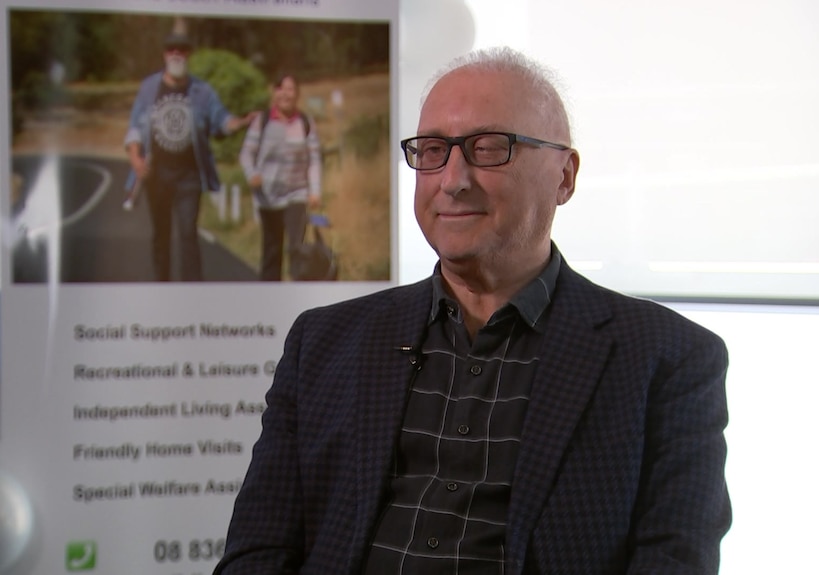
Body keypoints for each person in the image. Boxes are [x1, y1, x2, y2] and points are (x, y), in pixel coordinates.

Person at [214, 46, 731, 574]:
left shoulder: (667, 360)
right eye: (432, 150)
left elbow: (674, 561)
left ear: (565, 176)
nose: (452, 179)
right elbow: (258, 550)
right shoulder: (324, 341)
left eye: (488, 148)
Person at [124, 32, 255, 281]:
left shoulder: (202, 91)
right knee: (161, 234)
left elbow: (221, 119)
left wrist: (240, 122)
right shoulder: (149, 88)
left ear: (188, 55)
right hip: (157, 176)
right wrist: (135, 159)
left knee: (188, 233)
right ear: (164, 54)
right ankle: (161, 287)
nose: (176, 53)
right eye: (171, 49)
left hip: (189, 176)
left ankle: (192, 291)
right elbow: (134, 128)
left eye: (182, 50)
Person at [239, 73, 322, 281]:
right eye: (281, 89)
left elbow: (314, 159)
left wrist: (315, 191)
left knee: (297, 248)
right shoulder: (263, 120)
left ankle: (297, 299)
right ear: (274, 93)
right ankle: (268, 299)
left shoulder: (305, 122)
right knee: (272, 249)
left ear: (297, 94)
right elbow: (246, 153)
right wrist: (253, 174)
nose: (286, 94)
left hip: (297, 194)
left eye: (291, 89)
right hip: (268, 196)